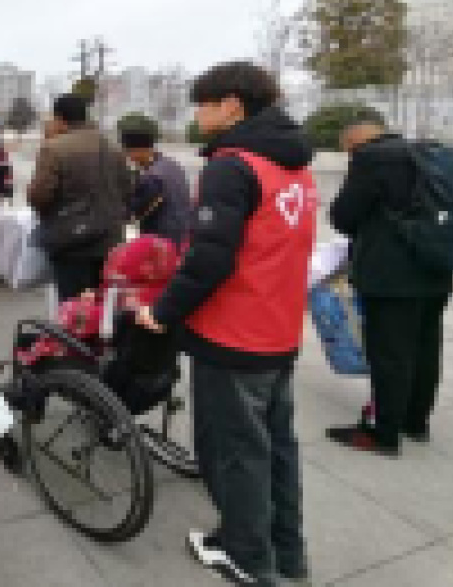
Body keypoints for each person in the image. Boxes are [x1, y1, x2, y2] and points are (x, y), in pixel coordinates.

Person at [137, 61, 316, 587]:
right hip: (279, 329)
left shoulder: (231, 167)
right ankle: (287, 551)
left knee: (235, 451)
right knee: (276, 447)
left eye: (204, 103)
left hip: (233, 334)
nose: (197, 113)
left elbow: (210, 258)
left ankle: (245, 555)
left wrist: (162, 312)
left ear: (232, 105)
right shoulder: (294, 165)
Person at [325, 110, 453, 457]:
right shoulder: (427, 153)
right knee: (425, 349)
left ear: (354, 141)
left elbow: (344, 216)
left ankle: (383, 433)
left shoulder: (371, 159)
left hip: (391, 277)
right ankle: (416, 422)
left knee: (389, 355)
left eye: (347, 150)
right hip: (436, 270)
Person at [28, 94, 132, 301]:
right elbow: (127, 190)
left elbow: (39, 195)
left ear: (59, 118)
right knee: (102, 305)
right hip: (110, 240)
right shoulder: (114, 147)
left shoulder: (54, 148)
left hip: (71, 243)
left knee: (74, 306)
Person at [118, 116, 191, 245]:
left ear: (139, 150)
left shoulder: (153, 178)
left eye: (128, 152)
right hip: (183, 237)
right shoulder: (172, 165)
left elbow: (132, 212)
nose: (128, 158)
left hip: (163, 242)